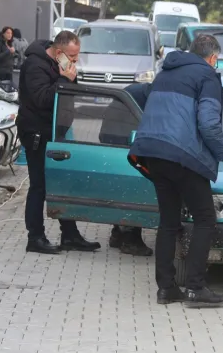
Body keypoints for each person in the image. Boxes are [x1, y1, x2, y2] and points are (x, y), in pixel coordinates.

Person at [128, 35, 223, 307]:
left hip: (153, 153)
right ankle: (195, 288)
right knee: (205, 219)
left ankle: (166, 289)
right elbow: (209, 124)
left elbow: (134, 93)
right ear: (212, 58)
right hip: (183, 155)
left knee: (168, 221)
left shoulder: (165, 73)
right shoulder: (207, 77)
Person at [16, 31, 101, 254]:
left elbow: (71, 90)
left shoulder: (60, 63)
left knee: (62, 182)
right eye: (72, 56)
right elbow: (43, 98)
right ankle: (35, 237)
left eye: (77, 57)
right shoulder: (35, 65)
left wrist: (69, 77)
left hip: (56, 131)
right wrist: (64, 80)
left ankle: (70, 235)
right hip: (37, 132)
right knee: (39, 186)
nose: (74, 61)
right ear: (59, 51)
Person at [101, 82, 155, 257]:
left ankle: (117, 234)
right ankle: (130, 240)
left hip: (114, 138)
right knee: (133, 190)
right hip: (121, 141)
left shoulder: (139, 91)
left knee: (123, 188)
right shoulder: (145, 99)